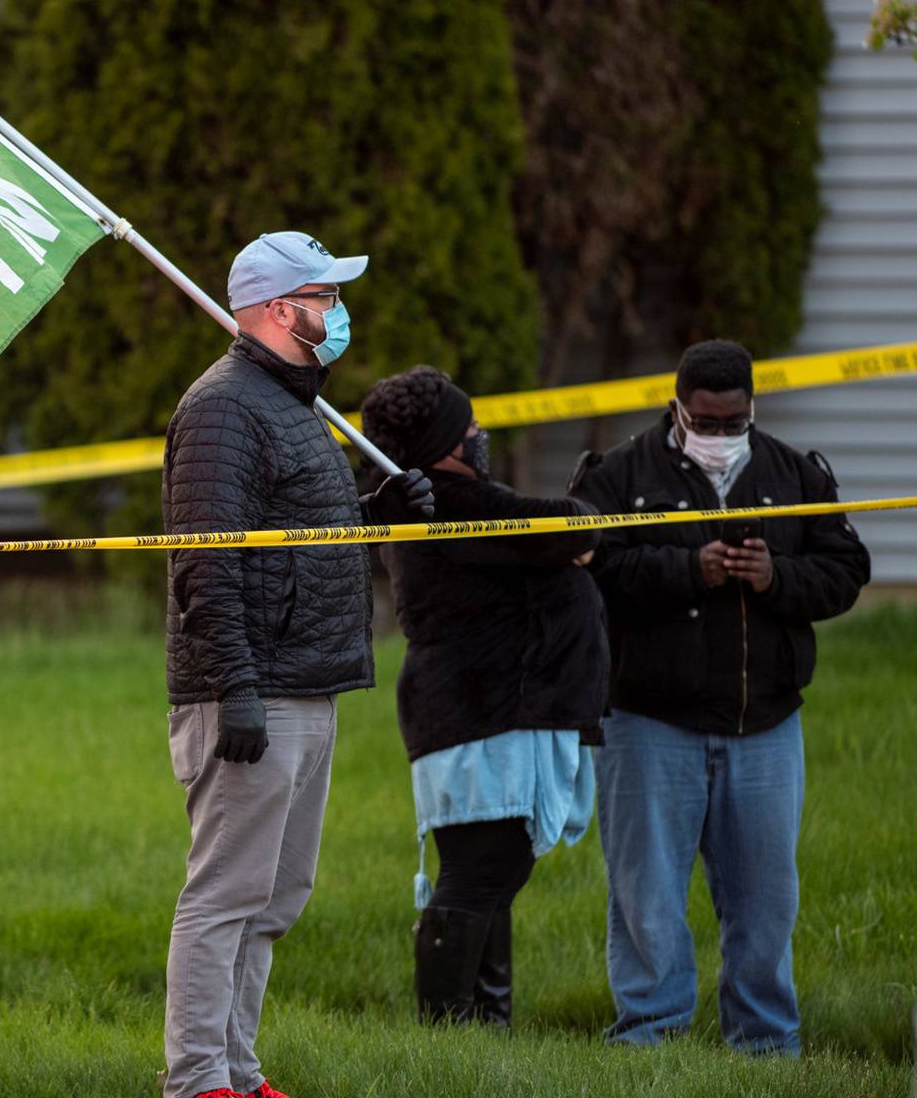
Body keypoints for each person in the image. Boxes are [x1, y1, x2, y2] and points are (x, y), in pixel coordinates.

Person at [154, 231, 435, 1098]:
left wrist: (372, 516)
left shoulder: (289, 403)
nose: (339, 312)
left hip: (307, 685)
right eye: (326, 295)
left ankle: (239, 1074)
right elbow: (209, 559)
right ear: (280, 310)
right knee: (225, 895)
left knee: (275, 898)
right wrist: (234, 687)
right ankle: (194, 1093)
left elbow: (294, 538)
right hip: (251, 692)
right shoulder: (225, 409)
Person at [571, 339, 869, 1055]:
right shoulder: (619, 473)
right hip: (648, 720)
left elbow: (846, 568)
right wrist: (689, 570)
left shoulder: (794, 473)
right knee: (647, 898)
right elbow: (591, 568)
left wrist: (777, 578)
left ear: (752, 410)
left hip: (764, 722)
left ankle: (765, 1042)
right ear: (677, 408)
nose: (718, 435)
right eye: (704, 421)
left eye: (733, 421)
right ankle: (649, 1037)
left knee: (766, 901)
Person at [358, 366, 605, 1027]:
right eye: (468, 428)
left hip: (487, 715)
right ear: (442, 443)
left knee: (493, 878)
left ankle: (486, 1028)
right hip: (481, 717)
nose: (480, 434)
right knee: (478, 874)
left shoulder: (447, 501)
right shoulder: (446, 504)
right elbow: (564, 526)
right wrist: (579, 524)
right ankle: (448, 1034)